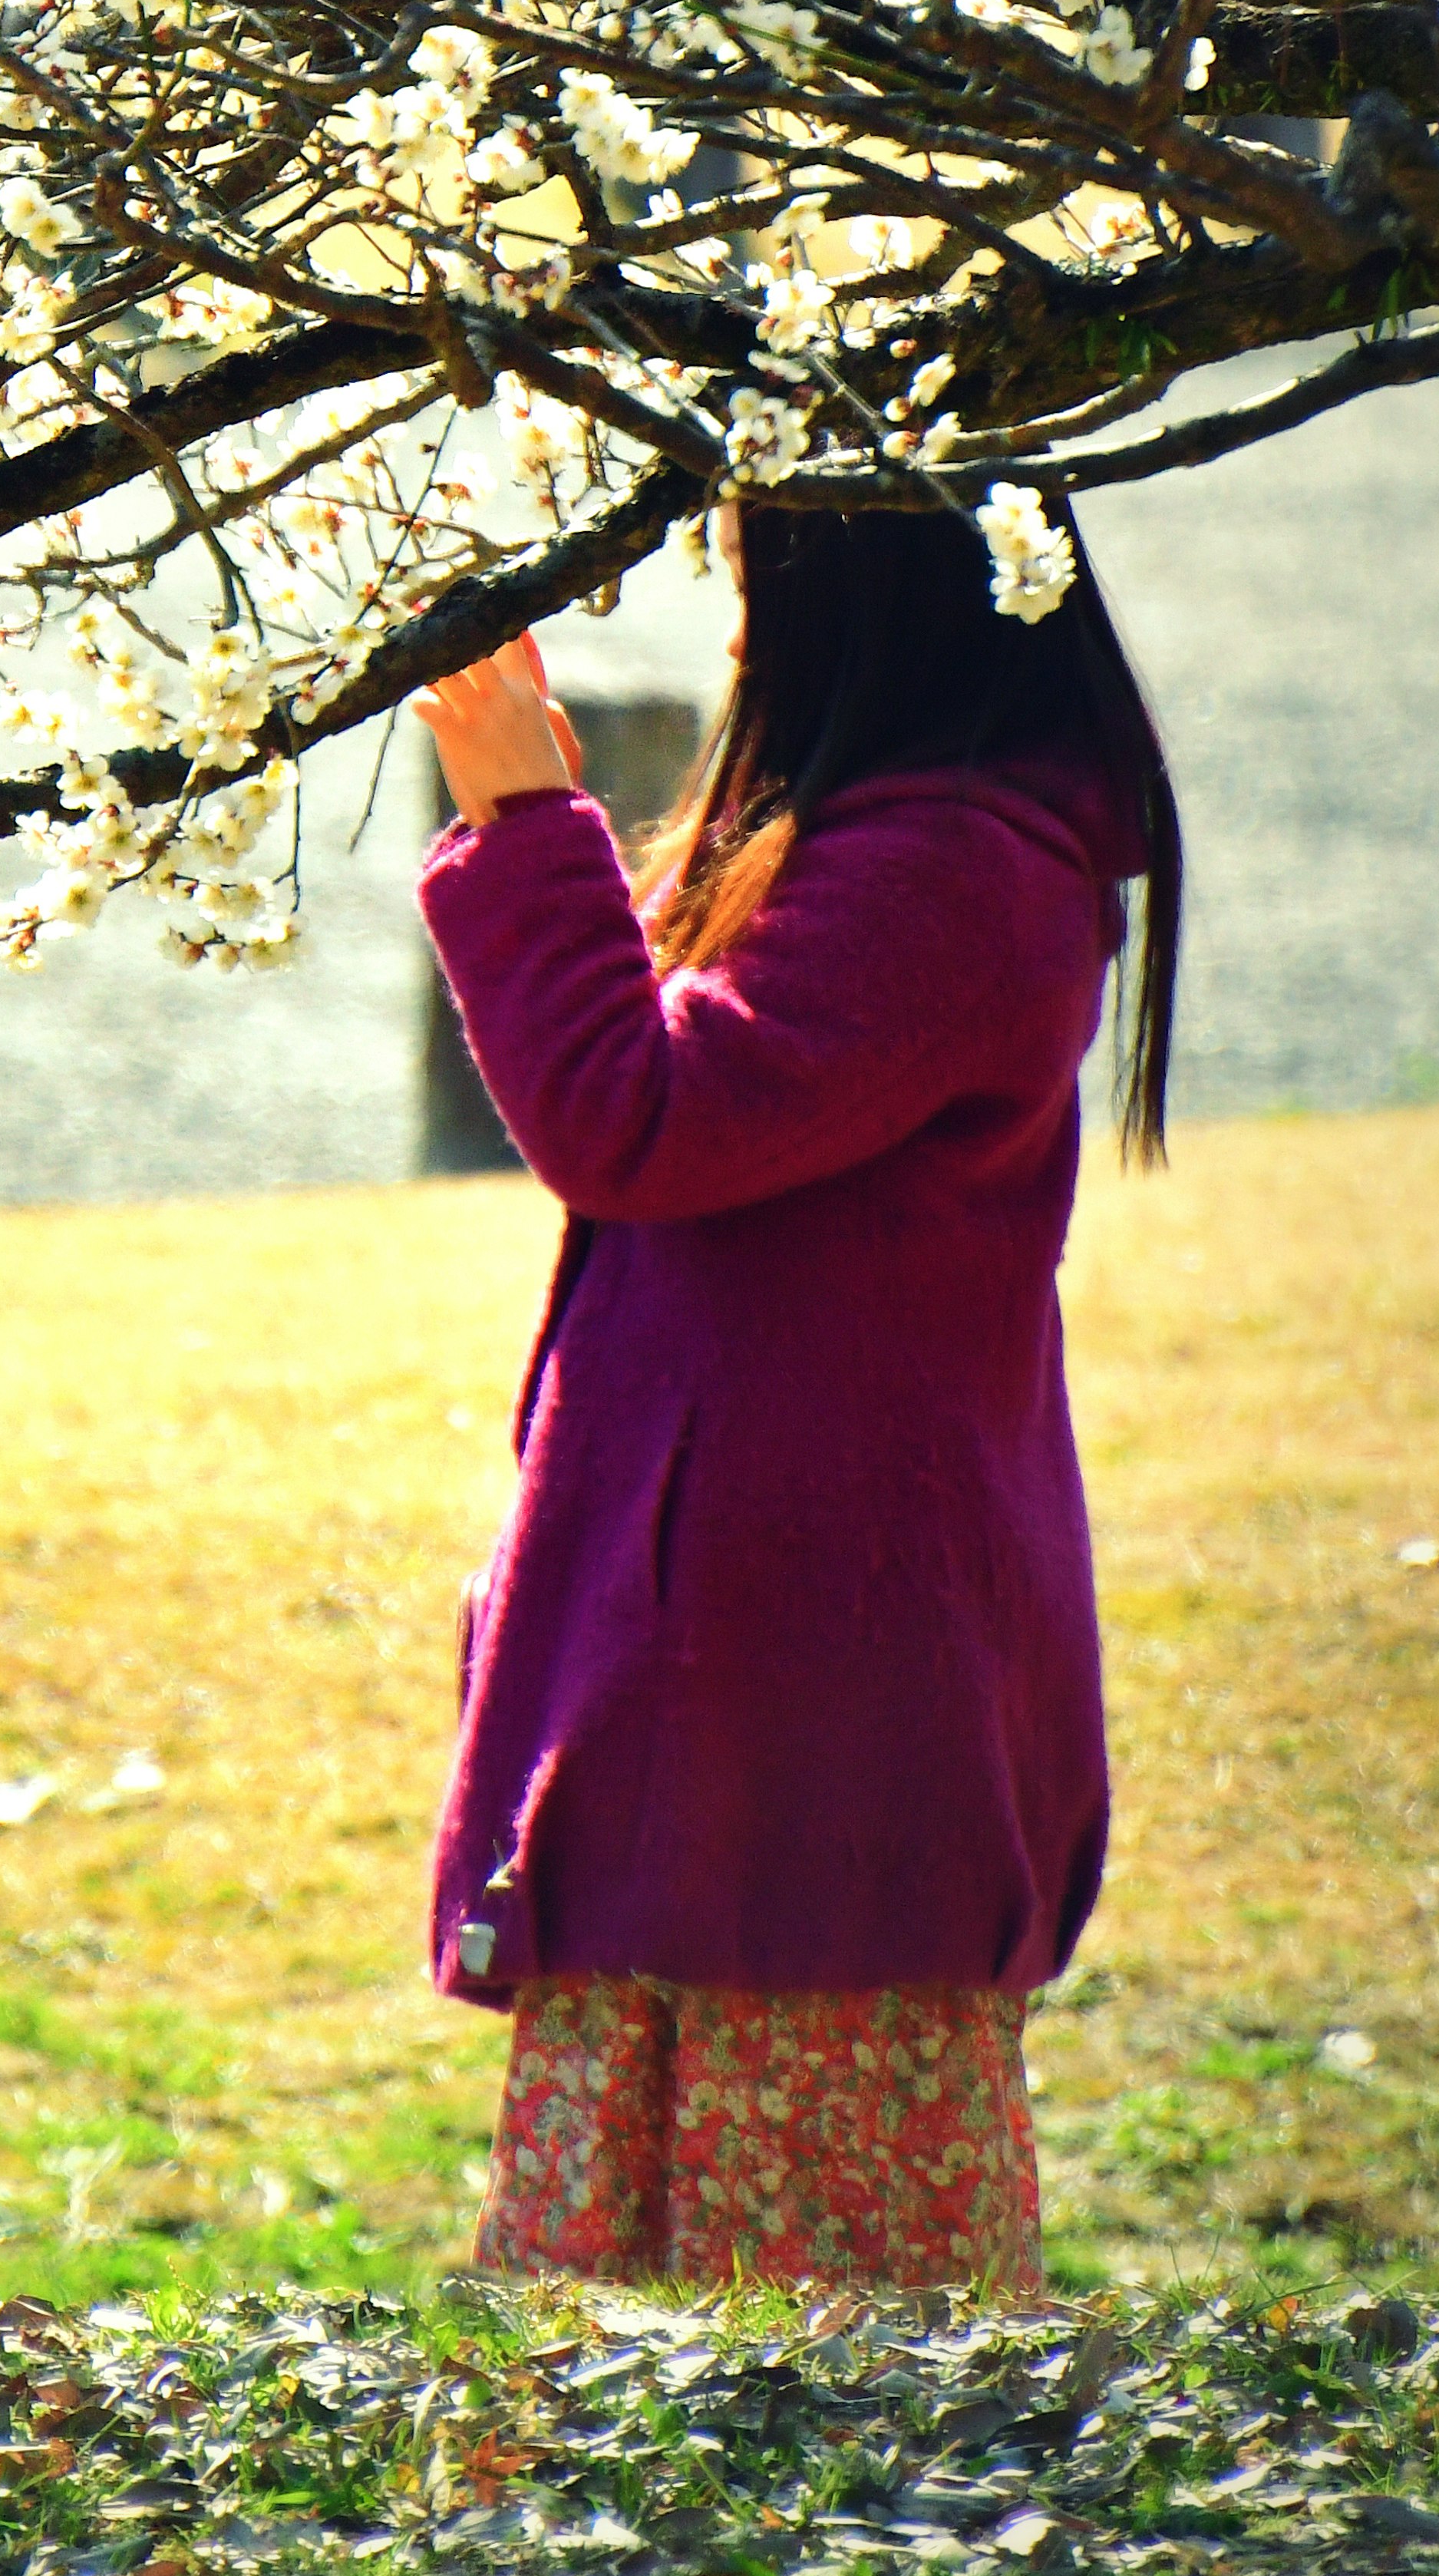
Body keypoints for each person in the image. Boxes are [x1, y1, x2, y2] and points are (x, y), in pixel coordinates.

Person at [411, 496, 1181, 2301]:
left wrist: (524, 809)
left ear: (870, 605)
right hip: (743, 1713)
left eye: (759, 584)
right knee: (637, 2376)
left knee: (821, 2408)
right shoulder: (891, 843)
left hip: (814, 1741)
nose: (738, 631)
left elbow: (633, 1117)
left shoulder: (958, 873)